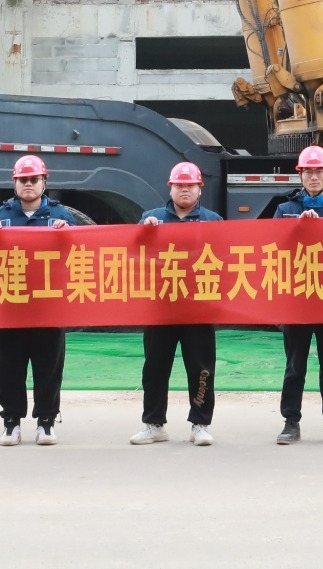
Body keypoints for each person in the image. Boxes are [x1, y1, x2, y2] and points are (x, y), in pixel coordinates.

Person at [0, 154, 77, 446]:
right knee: (8, 366)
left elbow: (82, 255)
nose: (28, 184)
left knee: (49, 365)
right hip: (10, 305)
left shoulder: (63, 217)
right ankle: (11, 421)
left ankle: (46, 421)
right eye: (22, 180)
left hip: (49, 306)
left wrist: (70, 236)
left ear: (44, 182)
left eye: (33, 180)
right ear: (14, 183)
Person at [131, 162, 223, 447]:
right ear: (170, 188)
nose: (184, 190)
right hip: (161, 308)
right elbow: (131, 255)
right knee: (155, 368)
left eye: (190, 186)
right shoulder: (151, 218)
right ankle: (154, 424)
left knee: (201, 368)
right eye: (179, 185)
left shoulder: (213, 221)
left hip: (198, 309)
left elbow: (229, 259)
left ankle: (200, 423)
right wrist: (143, 233)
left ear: (199, 189)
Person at [274, 145, 323, 444]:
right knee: (295, 364)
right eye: (308, 171)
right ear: (301, 175)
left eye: (319, 170)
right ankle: (290, 421)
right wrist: (297, 228)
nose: (314, 176)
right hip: (298, 300)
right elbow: (275, 249)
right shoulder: (285, 210)